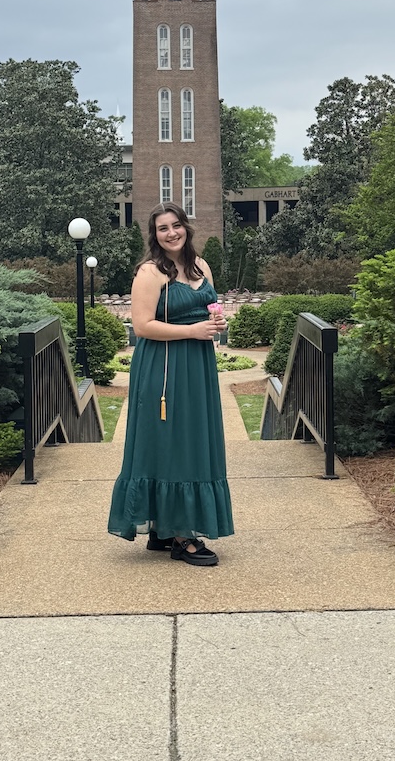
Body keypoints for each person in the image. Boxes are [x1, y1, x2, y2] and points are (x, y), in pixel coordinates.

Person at [107, 202, 234, 566]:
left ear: (186, 228)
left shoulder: (200, 266)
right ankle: (180, 535)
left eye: (176, 225)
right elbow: (142, 325)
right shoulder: (149, 272)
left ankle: (165, 528)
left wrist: (216, 324)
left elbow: (206, 308)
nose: (172, 233)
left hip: (197, 367)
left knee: (193, 440)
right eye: (163, 228)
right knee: (171, 442)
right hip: (163, 368)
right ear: (155, 235)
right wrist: (192, 331)